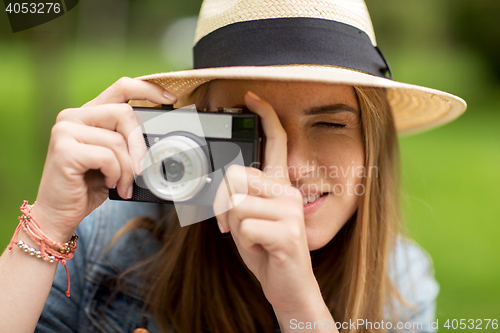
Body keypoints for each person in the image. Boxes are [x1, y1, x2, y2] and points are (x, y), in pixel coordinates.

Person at [0, 0, 466, 332]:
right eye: (250, 127)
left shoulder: (399, 283)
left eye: (329, 124)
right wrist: (45, 226)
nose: (291, 169)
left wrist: (299, 307)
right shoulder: (106, 237)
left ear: (372, 141)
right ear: (197, 129)